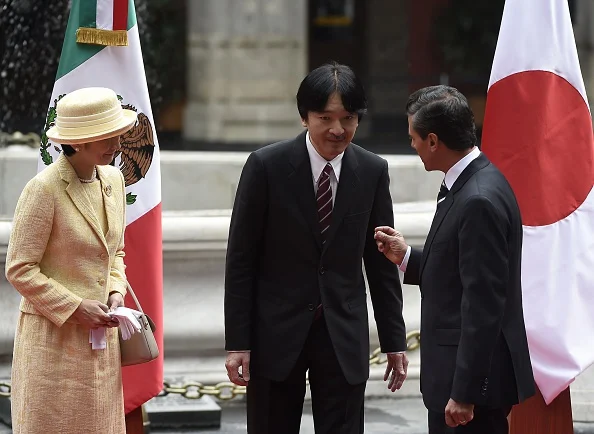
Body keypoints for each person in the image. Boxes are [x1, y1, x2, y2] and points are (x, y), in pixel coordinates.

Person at [224, 62, 409, 433]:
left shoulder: (373, 171)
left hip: (342, 332)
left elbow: (381, 261)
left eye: (348, 118)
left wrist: (394, 340)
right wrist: (238, 342)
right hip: (275, 333)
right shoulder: (266, 167)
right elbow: (241, 259)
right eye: (325, 117)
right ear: (304, 117)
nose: (337, 130)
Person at [374, 85, 535, 434]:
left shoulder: (477, 199)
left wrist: (465, 392)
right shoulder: (469, 183)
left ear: (433, 141)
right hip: (461, 383)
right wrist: (406, 258)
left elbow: (483, 305)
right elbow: (459, 272)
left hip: (470, 392)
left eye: (413, 137)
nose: (411, 145)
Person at [5, 87, 137, 433]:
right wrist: (76, 306)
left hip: (101, 343)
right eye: (106, 137)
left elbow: (116, 251)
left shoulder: (113, 179)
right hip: (53, 341)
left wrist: (115, 292)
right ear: (78, 141)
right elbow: (19, 268)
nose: (117, 145)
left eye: (117, 135)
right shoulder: (43, 189)